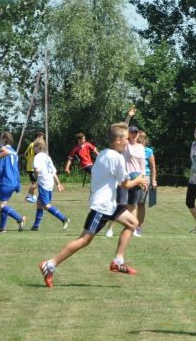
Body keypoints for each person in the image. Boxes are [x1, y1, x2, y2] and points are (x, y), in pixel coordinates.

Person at [38, 122, 147, 287]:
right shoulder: (116, 157)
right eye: (125, 138)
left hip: (109, 204)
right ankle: (50, 264)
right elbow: (125, 184)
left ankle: (118, 261)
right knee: (84, 240)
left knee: (133, 223)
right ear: (118, 140)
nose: (128, 141)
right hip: (102, 206)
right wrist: (138, 180)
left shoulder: (103, 153)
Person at [31, 136, 69, 231]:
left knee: (46, 206)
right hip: (50, 182)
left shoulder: (37, 157)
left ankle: (64, 219)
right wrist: (58, 183)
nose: (33, 148)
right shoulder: (47, 157)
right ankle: (35, 226)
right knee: (39, 203)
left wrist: (35, 176)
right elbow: (53, 172)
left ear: (38, 147)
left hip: (43, 183)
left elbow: (37, 170)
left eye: (34, 146)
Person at [0, 132, 26, 233]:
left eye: (0, 138)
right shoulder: (14, 152)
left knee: (0, 206)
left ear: (4, 139)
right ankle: (2, 227)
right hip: (14, 181)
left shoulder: (3, 151)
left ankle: (19, 218)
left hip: (5, 181)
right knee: (4, 204)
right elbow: (16, 168)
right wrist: (18, 183)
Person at [135, 130, 158, 236]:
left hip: (145, 178)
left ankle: (139, 227)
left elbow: (153, 167)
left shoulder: (148, 151)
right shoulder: (131, 150)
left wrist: (153, 181)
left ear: (145, 140)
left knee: (141, 203)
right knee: (131, 203)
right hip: (133, 177)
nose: (140, 141)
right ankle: (131, 226)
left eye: (142, 139)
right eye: (139, 139)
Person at [23, 130, 44, 204]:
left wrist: (29, 160)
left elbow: (25, 154)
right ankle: (28, 196)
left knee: (34, 183)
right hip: (33, 167)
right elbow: (37, 155)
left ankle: (34, 197)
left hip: (30, 166)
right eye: (42, 137)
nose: (42, 139)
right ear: (38, 137)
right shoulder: (36, 145)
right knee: (36, 183)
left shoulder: (31, 144)